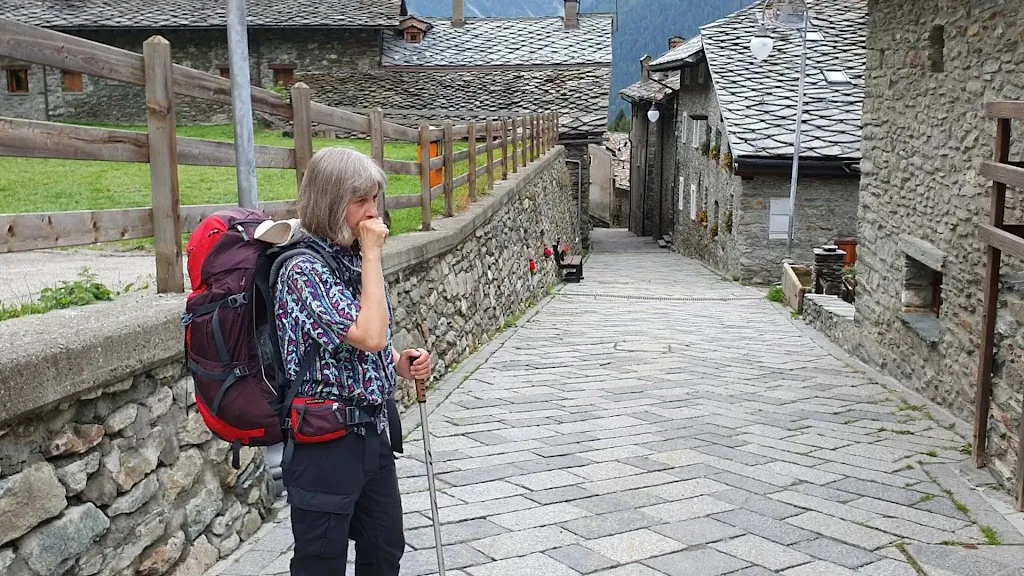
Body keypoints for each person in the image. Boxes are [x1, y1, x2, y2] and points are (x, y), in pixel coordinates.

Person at [273, 146, 432, 575]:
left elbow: (370, 341)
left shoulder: (349, 258)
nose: (373, 212)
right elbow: (368, 334)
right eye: (360, 200)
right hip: (325, 441)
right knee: (321, 563)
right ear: (330, 202)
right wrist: (373, 256)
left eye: (375, 199)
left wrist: (397, 361)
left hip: (372, 434)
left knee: (384, 550)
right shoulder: (302, 270)